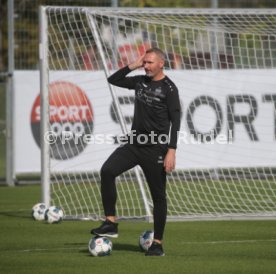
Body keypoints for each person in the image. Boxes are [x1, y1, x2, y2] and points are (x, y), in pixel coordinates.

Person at [91, 47, 181, 256]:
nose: (146, 66)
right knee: (107, 171)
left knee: (158, 197)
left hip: (156, 149)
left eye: (150, 62)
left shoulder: (169, 89)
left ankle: (157, 243)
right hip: (134, 144)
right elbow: (113, 79)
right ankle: (110, 223)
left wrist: (171, 150)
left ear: (161, 64)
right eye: (145, 62)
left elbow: (175, 122)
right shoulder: (140, 81)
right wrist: (133, 65)